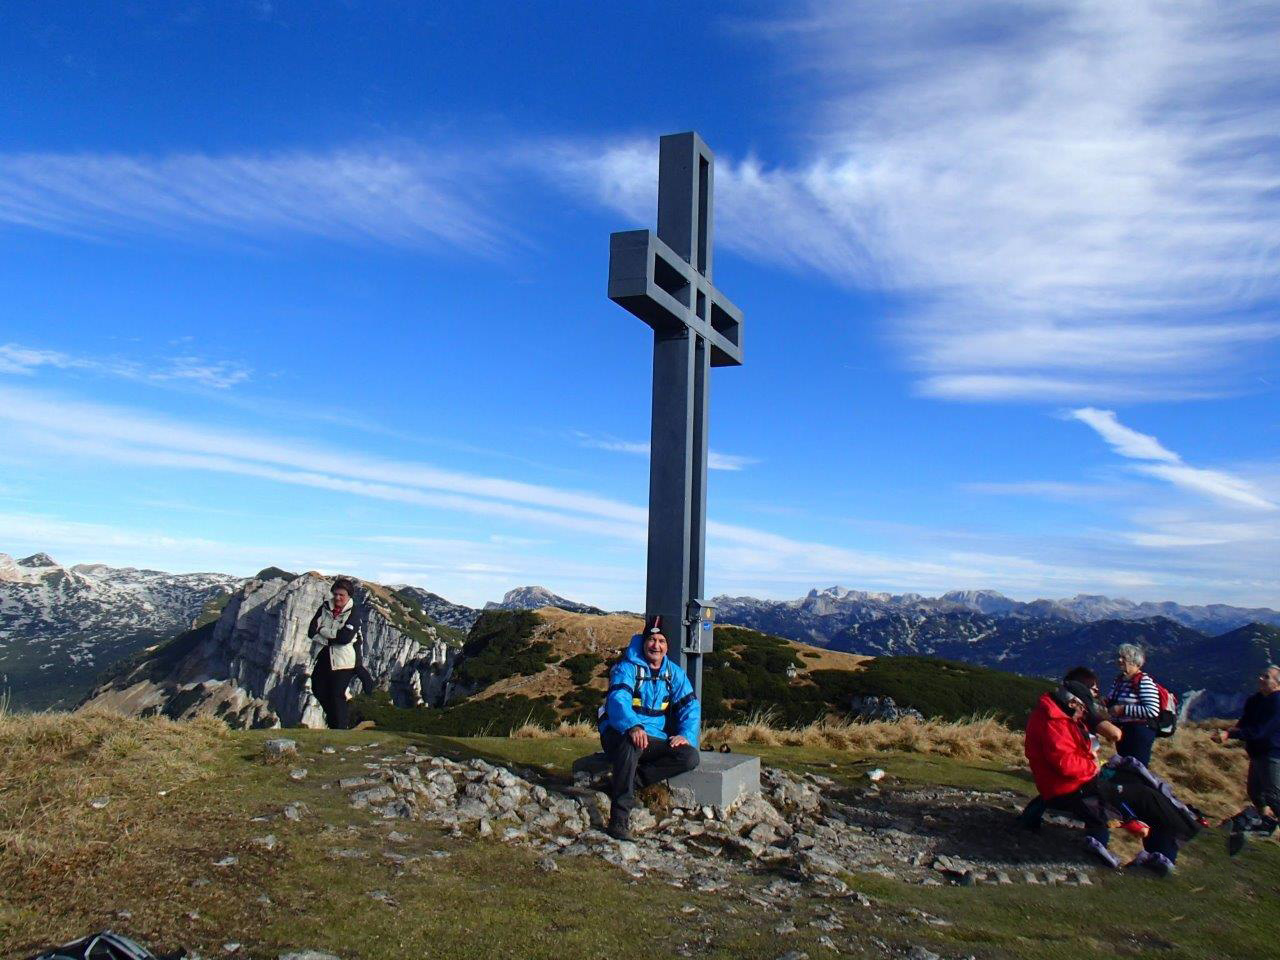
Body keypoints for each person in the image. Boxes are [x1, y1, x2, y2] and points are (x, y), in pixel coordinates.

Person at [1025, 676, 1200, 875]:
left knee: (1136, 781)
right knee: (1145, 796)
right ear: (1072, 702)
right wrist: (1093, 765)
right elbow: (1066, 765)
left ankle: (1168, 840)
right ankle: (1170, 844)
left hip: (1070, 786)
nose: (1083, 715)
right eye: (1083, 709)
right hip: (1074, 789)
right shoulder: (1054, 723)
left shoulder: (1052, 714)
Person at [598, 615, 700, 841]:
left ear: (667, 646)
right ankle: (619, 819)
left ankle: (628, 782)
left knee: (689, 756)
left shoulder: (673, 673)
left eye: (661, 641)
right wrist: (632, 725)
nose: (656, 645)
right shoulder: (626, 668)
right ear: (643, 642)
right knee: (631, 742)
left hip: (654, 738)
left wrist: (685, 735)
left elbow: (690, 707)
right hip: (620, 733)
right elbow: (618, 699)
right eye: (652, 640)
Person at [1017, 667, 1121, 831]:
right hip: (1071, 782)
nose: (1096, 692)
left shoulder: (1061, 712)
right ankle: (1098, 837)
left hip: (1064, 780)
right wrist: (1093, 765)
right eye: (1093, 688)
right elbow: (1065, 763)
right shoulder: (1062, 718)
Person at [1217, 665, 1280, 854]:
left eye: (1266, 677)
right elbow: (1245, 722)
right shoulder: (1256, 700)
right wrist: (1230, 732)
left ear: (1277, 684)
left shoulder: (1277, 703)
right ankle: (1265, 824)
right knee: (1255, 792)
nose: (1260, 679)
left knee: (1274, 796)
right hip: (1258, 753)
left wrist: (1231, 735)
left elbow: (1262, 731)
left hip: (1273, 753)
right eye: (1261, 675)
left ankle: (1268, 823)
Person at [308, 577, 360, 730]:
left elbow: (345, 638)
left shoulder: (354, 613)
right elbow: (311, 631)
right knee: (318, 688)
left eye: (341, 595)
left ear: (348, 596)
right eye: (335, 594)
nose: (337, 597)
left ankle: (341, 728)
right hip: (324, 655)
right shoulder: (324, 607)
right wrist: (333, 636)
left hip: (343, 660)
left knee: (337, 694)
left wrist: (322, 631)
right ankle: (335, 722)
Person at [1106, 643, 1161, 766]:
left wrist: (1122, 709)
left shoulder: (1143, 681)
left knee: (1136, 768)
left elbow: (1152, 710)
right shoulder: (1120, 680)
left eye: (1124, 658)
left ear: (1135, 661)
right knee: (1125, 766)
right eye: (1119, 657)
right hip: (1122, 731)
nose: (1119, 660)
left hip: (1139, 732)